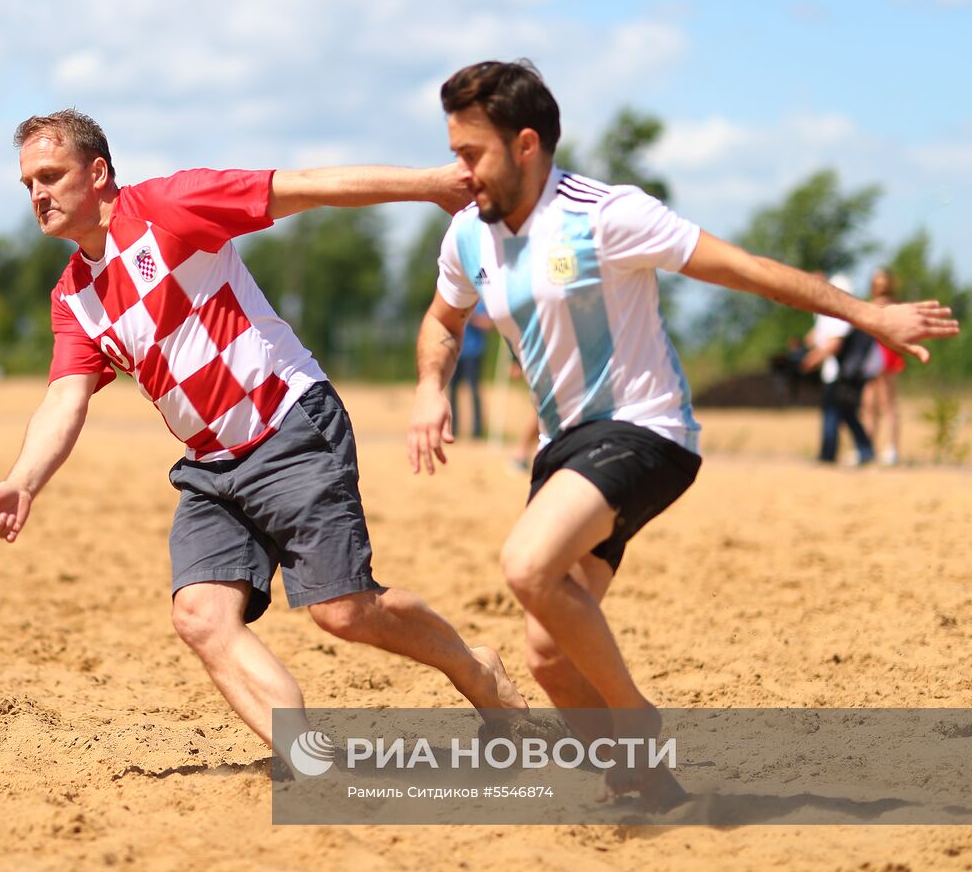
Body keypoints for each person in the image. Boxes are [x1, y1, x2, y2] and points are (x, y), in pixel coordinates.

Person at [407, 60, 958, 807]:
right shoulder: (467, 238)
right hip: (564, 447)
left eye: (470, 152)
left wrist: (867, 313)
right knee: (549, 657)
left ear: (526, 143)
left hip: (646, 428)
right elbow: (443, 320)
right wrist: (431, 387)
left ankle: (639, 719)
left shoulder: (605, 213)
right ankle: (646, 784)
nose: (458, 171)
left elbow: (748, 269)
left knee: (527, 566)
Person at [0, 110, 526, 766]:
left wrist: (431, 183)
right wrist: (22, 480)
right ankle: (314, 763)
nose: (38, 193)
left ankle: (476, 669)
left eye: (50, 175)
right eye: (27, 183)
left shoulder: (169, 207)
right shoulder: (74, 296)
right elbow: (65, 396)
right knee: (201, 615)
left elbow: (307, 186)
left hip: (289, 425)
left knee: (344, 612)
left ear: (96, 173)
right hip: (211, 468)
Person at [801, 273, 880, 465]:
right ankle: (862, 450)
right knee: (844, 411)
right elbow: (819, 334)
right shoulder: (827, 311)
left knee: (835, 410)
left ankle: (830, 454)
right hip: (839, 371)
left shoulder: (837, 310)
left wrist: (811, 359)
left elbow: (835, 343)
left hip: (841, 372)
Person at [862, 268, 905, 465]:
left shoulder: (891, 307)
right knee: (870, 404)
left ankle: (890, 449)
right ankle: (867, 446)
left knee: (886, 404)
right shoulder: (877, 306)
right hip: (873, 357)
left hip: (884, 356)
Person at [448, 303, 493, 439]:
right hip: (455, 352)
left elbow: (489, 324)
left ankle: (477, 431)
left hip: (473, 352)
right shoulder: (456, 298)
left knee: (473, 390)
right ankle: (452, 429)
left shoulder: (481, 301)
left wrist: (471, 317)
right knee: (452, 391)